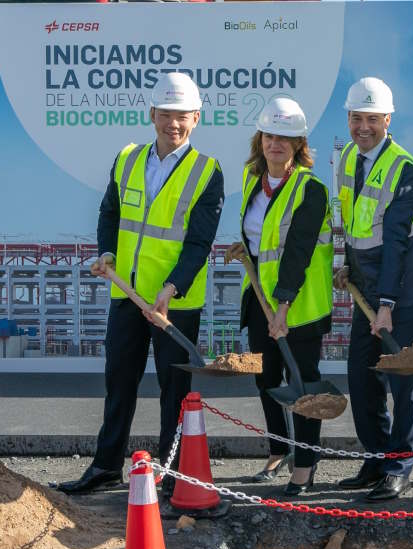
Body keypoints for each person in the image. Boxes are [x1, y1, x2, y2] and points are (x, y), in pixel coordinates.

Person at [57, 72, 224, 495]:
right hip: (127, 296)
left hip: (174, 305)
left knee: (174, 392)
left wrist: (170, 290)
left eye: (182, 116)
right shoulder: (128, 158)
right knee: (119, 382)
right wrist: (106, 253)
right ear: (152, 113)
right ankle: (106, 465)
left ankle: (171, 474)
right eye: (166, 114)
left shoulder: (207, 172)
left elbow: (199, 243)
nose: (173, 123)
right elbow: (109, 213)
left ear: (196, 118)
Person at [331, 77, 413, 502]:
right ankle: (376, 458)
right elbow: (344, 221)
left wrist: (387, 303)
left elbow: (396, 241)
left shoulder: (406, 170)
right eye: (357, 118)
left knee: (401, 377)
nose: (363, 127)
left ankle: (399, 465)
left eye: (372, 118)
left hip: (403, 287)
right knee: (362, 375)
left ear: (388, 120)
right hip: (365, 283)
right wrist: (342, 264)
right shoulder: (347, 160)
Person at [227, 96, 333, 497]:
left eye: (285, 138)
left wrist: (283, 307)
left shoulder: (311, 189)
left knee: (304, 387)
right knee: (268, 379)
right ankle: (277, 449)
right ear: (261, 139)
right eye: (270, 135)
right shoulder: (252, 181)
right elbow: (260, 240)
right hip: (259, 301)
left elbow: (298, 252)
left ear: (299, 145)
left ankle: (304, 467)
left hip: (299, 306)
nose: (276, 144)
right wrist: (243, 251)